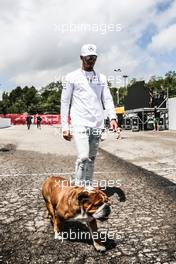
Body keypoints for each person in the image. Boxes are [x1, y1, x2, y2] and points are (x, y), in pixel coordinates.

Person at [61, 44, 117, 187]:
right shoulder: (71, 77)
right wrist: (65, 127)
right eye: (88, 57)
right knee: (83, 157)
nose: (91, 60)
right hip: (79, 122)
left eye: (94, 57)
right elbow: (65, 102)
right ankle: (78, 190)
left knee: (91, 158)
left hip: (97, 124)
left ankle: (88, 186)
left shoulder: (102, 78)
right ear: (81, 57)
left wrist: (113, 117)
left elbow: (107, 99)